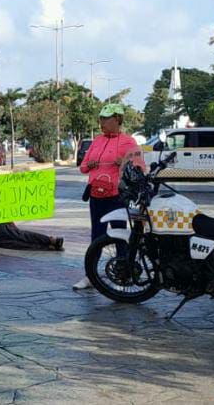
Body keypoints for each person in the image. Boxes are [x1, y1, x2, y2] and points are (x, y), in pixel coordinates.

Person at [73, 103, 145, 290]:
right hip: (96, 194)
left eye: (106, 119)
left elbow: (139, 168)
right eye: (101, 119)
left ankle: (123, 275)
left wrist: (124, 163)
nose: (102, 123)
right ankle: (90, 276)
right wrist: (90, 165)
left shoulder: (128, 142)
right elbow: (82, 167)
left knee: (120, 236)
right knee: (96, 235)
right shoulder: (97, 141)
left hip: (117, 196)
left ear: (117, 120)